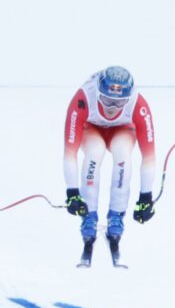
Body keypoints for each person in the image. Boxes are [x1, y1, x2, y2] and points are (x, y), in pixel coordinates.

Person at [62, 66, 157, 246]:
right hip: (91, 129)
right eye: (106, 99)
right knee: (94, 152)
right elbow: (69, 153)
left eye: (120, 102)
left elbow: (149, 157)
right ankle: (89, 215)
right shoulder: (83, 98)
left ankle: (116, 215)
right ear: (97, 93)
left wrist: (146, 197)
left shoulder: (139, 104)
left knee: (122, 154)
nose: (112, 107)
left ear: (128, 99)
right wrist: (72, 192)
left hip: (122, 130)